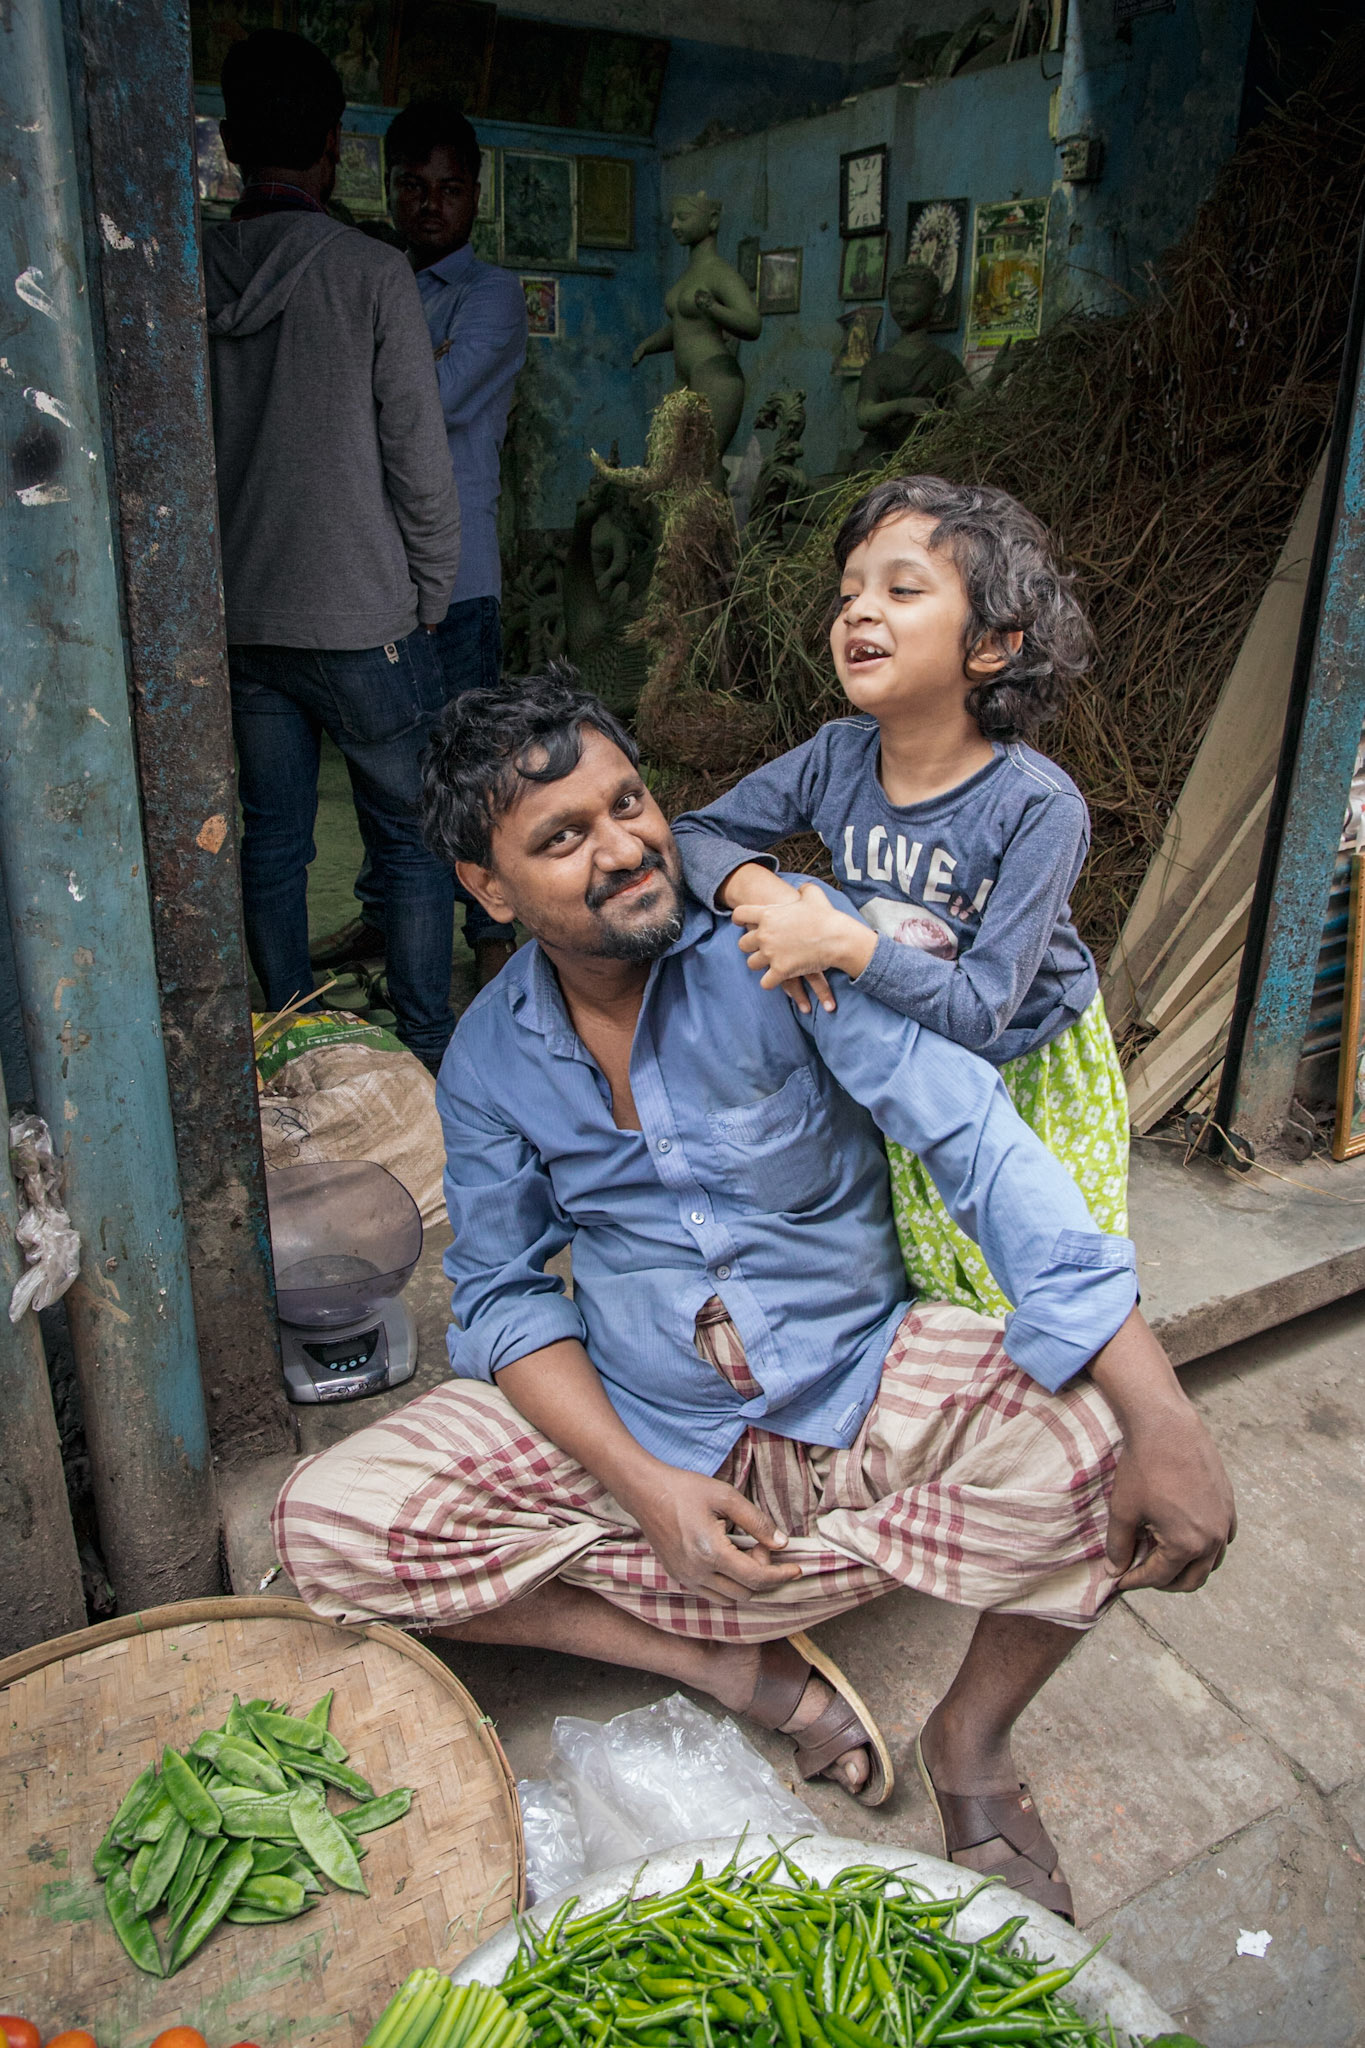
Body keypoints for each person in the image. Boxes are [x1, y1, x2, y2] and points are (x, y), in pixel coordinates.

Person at [273, 668, 1235, 1920]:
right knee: (324, 1527)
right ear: (488, 888)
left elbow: (977, 1144)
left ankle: (970, 1742)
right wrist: (645, 1488)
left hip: (857, 1380)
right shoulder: (491, 1054)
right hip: (651, 1417)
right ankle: (734, 1661)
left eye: (629, 802)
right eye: (562, 838)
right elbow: (505, 1296)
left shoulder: (783, 945)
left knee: (1103, 1444)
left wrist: (1165, 1409)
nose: (623, 848)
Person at [670, 476, 1129, 1319]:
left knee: (1035, 1269)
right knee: (934, 1254)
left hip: (1028, 1064)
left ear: (989, 646)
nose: (857, 612)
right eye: (848, 594)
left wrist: (842, 942)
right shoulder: (834, 756)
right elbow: (695, 834)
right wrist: (763, 889)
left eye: (901, 590)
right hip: (907, 1042)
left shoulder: (1038, 808)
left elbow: (983, 1010)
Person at [203, 29, 462, 1071]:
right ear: (335, 144)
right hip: (365, 617)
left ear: (226, 143)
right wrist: (433, 587)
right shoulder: (371, 273)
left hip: (244, 618)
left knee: (274, 843)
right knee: (409, 838)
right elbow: (418, 455)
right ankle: (427, 1046)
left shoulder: (186, 269)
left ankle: (295, 1044)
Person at [312, 97, 528, 992]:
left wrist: (378, 377)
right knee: (387, 773)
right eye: (413, 187)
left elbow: (424, 408)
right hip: (373, 573)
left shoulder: (493, 297)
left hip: (461, 574)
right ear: (389, 188)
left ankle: (487, 939)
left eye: (448, 189)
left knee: (470, 764)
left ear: (475, 195)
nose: (430, 205)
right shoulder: (373, 279)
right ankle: (381, 912)